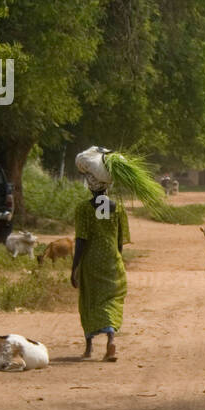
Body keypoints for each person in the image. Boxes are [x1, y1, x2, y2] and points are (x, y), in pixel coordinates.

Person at [72, 150, 131, 362]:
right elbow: (119, 240)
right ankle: (111, 340)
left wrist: (74, 268)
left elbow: (81, 240)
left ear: (91, 184)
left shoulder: (83, 209)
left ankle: (89, 348)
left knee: (90, 300)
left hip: (91, 262)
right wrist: (117, 260)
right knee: (112, 300)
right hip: (112, 261)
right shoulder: (117, 208)